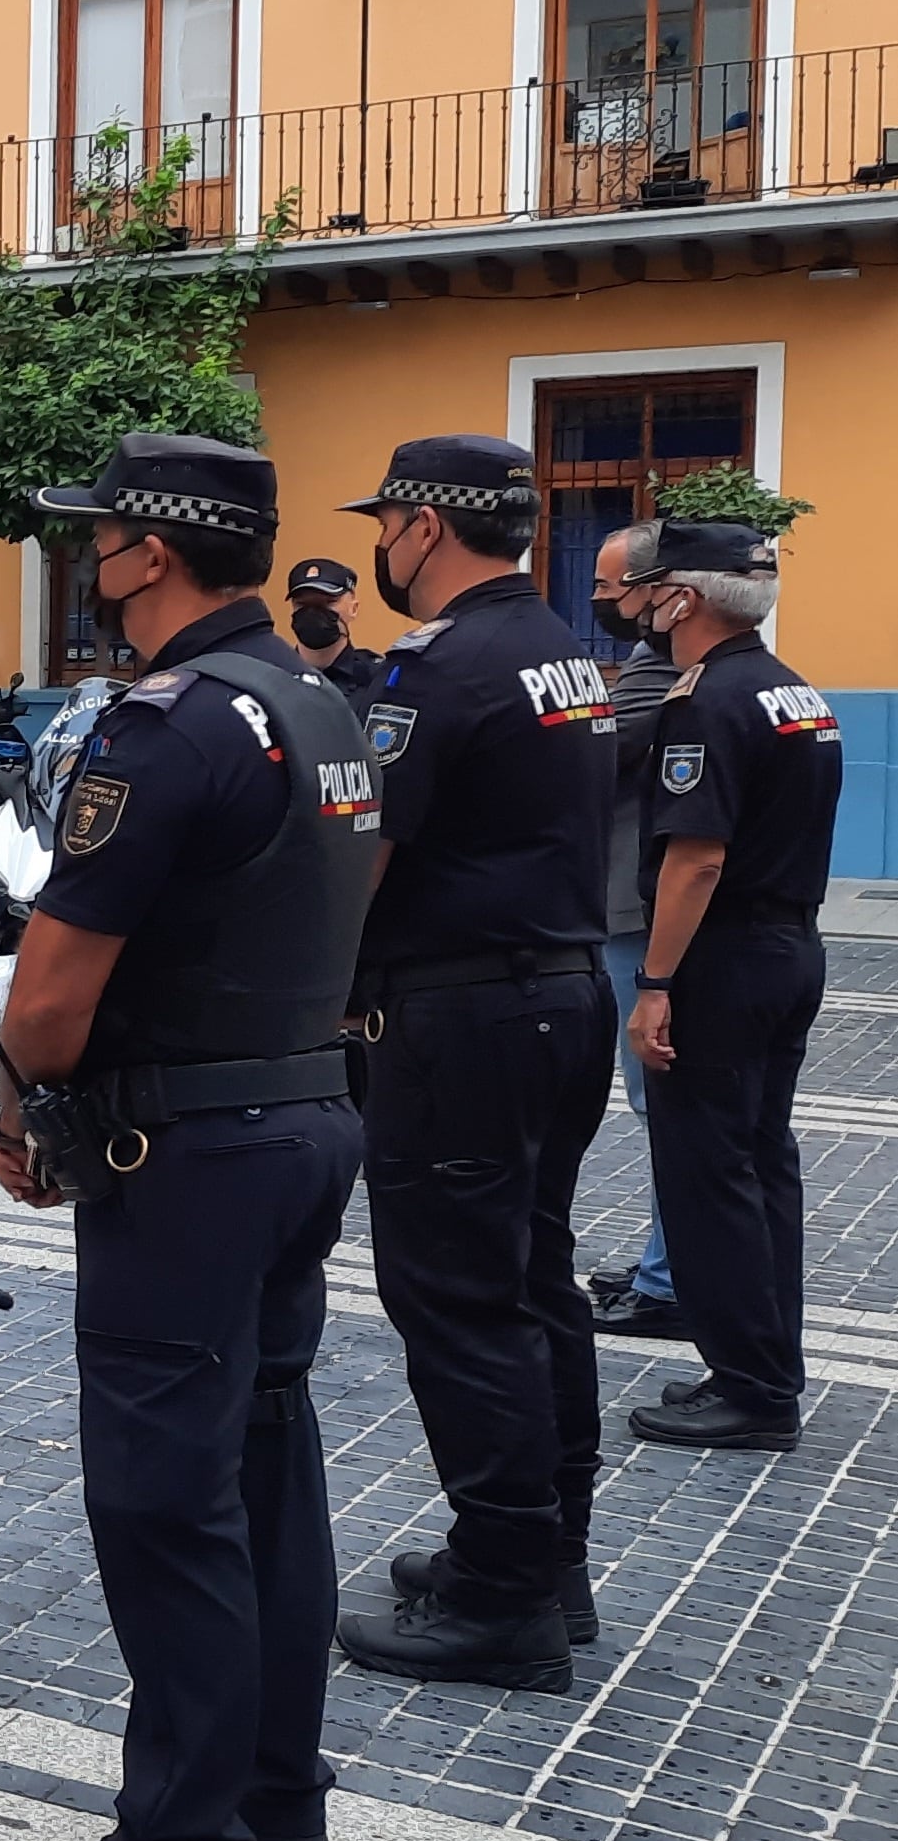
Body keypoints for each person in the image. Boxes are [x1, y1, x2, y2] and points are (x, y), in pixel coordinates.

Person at [0, 434, 377, 1841]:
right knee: (270, 1459)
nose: (91, 559)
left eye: (102, 537)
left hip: (188, 1154)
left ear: (150, 551)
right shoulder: (318, 700)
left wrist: (28, 1093)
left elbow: (51, 988)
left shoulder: (166, 726)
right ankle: (280, 1805)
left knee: (165, 1495)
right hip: (302, 1114)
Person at [326, 434, 618, 1695]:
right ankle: (546, 1554)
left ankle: (503, 1596)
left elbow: (367, 861)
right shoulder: (563, 649)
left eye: (387, 525)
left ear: (425, 528)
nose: (384, 547)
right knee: (535, 1278)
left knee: (459, 1298)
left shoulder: (438, 670)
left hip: (460, 1018)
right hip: (561, 995)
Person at [620, 519, 841, 1452]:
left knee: (708, 1174)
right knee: (759, 1166)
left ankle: (750, 1390)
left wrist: (654, 980)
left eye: (648, 586)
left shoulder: (705, 703)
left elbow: (695, 861)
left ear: (684, 596)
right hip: (788, 948)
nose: (636, 603)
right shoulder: (793, 692)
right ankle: (760, 1367)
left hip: (721, 961)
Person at [589, 524, 685, 1336]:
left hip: (637, 909)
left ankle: (668, 1278)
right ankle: (666, 1258)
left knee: (663, 1105)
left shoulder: (660, 668)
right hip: (633, 905)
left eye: (612, 589)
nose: (599, 603)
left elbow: (597, 749)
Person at [284, 556, 385, 703]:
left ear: (353, 609)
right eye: (302, 604)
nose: (313, 613)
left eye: (328, 602)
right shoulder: (274, 677)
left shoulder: (377, 679)